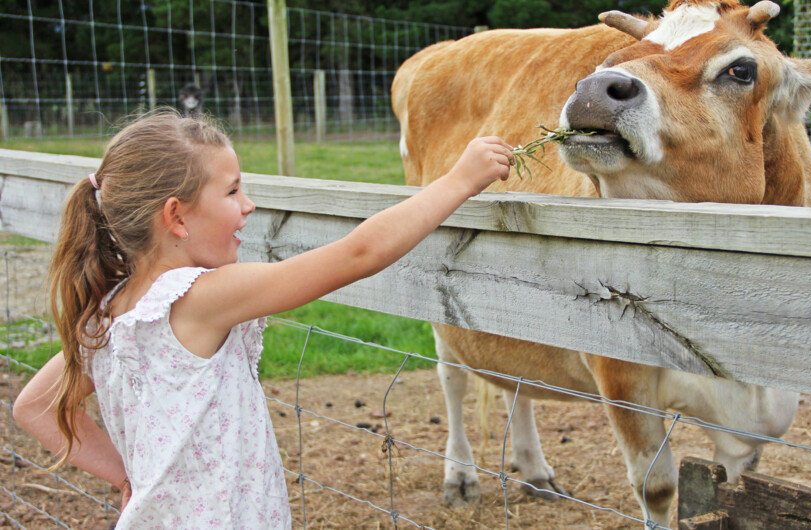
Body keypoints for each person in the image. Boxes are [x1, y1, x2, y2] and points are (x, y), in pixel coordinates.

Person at [12, 110, 513, 528]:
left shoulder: (111, 313)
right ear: (177, 217)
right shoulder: (202, 299)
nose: (247, 205)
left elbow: (32, 408)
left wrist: (130, 478)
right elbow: (358, 253)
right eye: (232, 192)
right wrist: (458, 180)